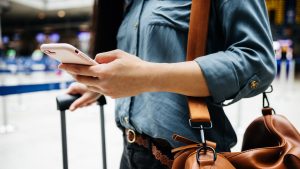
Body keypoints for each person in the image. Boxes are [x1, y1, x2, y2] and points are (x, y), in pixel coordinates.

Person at [59, 0, 276, 169]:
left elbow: (257, 61)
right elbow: (145, 57)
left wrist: (146, 76)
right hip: (131, 151)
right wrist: (98, 86)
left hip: (189, 157)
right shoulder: (133, 3)